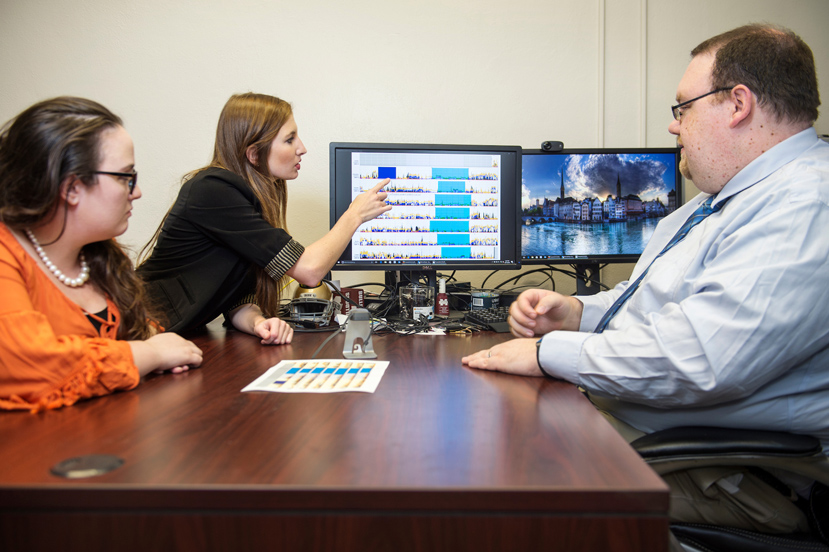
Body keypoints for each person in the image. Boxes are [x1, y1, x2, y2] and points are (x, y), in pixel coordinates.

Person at [463, 23, 829, 536]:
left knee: (500, 476)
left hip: (728, 472)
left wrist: (549, 354)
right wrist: (578, 313)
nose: (675, 127)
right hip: (653, 432)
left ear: (738, 103)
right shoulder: (717, 201)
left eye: (683, 108)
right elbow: (656, 304)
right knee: (490, 436)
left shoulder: (807, 203)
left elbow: (702, 358)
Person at [0, 97, 203, 412]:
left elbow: (141, 331)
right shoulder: (5, 254)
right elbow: (26, 366)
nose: (136, 192)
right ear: (72, 187)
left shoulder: (100, 253)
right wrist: (149, 355)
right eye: (126, 177)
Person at [137, 92, 390, 343]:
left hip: (168, 336)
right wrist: (354, 214)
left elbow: (237, 300)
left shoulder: (243, 197)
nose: (302, 148)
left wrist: (258, 322)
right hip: (135, 327)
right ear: (254, 154)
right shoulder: (213, 189)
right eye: (290, 140)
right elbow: (310, 270)